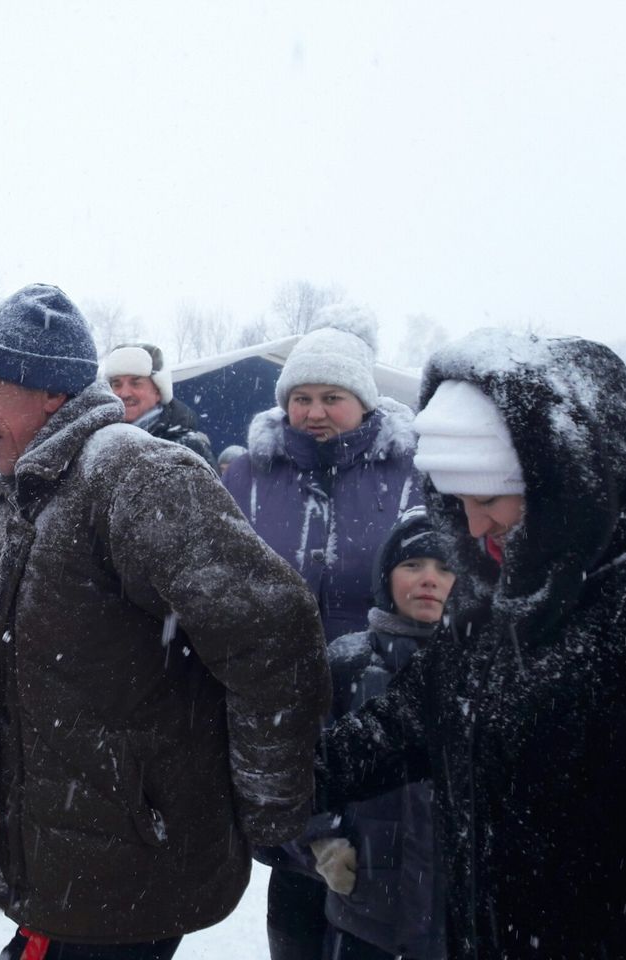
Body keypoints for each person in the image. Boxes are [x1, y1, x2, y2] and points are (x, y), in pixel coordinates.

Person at [0, 283, 330, 959]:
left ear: (50, 393)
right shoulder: (26, 493)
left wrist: (268, 802)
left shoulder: (133, 474)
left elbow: (272, 629)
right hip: (59, 858)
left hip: (136, 866)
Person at [317, 330, 626, 958]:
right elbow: (402, 727)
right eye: (455, 502)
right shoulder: (491, 603)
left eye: (489, 500)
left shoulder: (618, 616)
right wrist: (272, 773)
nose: (472, 526)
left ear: (567, 484)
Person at [222, 305, 422, 960]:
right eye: (301, 397)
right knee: (299, 871)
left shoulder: (412, 474)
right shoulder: (248, 477)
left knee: (381, 863)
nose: (314, 411)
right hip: (276, 694)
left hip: (382, 692)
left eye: (331, 397)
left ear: (363, 401)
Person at [311, 507, 453, 960]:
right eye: (412, 565)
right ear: (386, 577)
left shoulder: (484, 669)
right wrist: (319, 837)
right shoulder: (347, 663)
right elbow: (301, 766)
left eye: (445, 567)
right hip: (366, 915)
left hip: (456, 919)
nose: (429, 579)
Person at [102, 340, 217, 468]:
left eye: (135, 383)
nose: (124, 393)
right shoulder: (99, 443)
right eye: (117, 384)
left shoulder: (188, 449)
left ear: (158, 391)